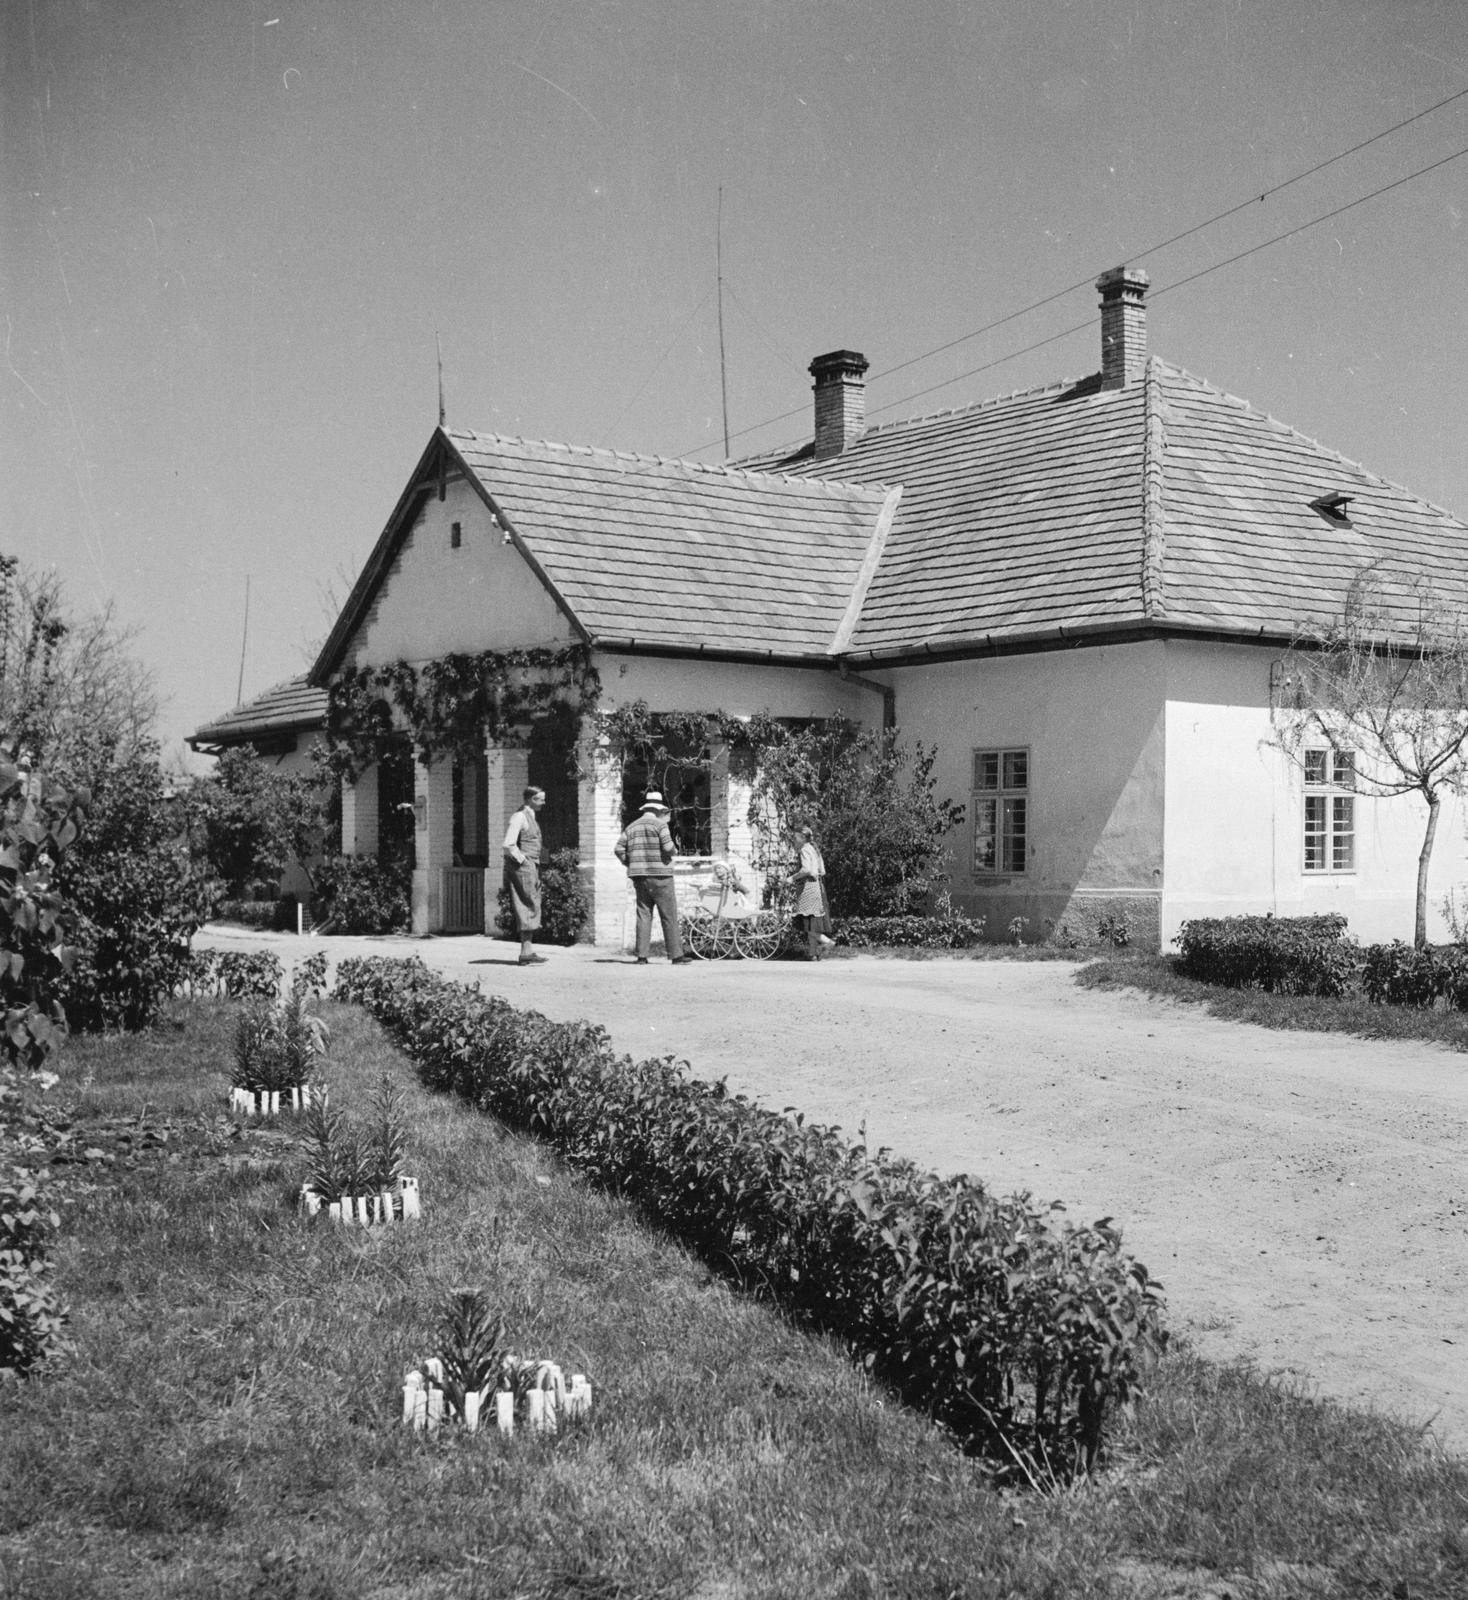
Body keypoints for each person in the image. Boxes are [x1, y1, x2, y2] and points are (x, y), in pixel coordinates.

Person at [614, 790, 690, 965]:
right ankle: (676, 955)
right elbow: (668, 847)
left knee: (643, 914)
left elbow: (618, 849)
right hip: (661, 875)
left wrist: (630, 862)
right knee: (668, 915)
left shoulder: (631, 826)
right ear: (658, 809)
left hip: (639, 876)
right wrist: (675, 851)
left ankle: (642, 956)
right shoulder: (660, 825)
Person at [502, 786, 547, 966]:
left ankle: (527, 951)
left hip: (531, 865)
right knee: (528, 903)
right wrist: (524, 861)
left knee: (531, 903)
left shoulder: (531, 816)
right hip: (524, 866)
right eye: (540, 799)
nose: (543, 802)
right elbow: (508, 845)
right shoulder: (520, 816)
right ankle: (525, 953)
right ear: (530, 799)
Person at [791, 823, 830, 962]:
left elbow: (806, 869)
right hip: (817, 887)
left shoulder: (804, 850)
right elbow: (822, 871)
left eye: (795, 837)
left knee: (808, 924)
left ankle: (828, 943)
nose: (794, 840)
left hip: (808, 888)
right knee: (811, 923)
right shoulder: (814, 849)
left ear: (802, 838)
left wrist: (792, 878)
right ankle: (812, 954)